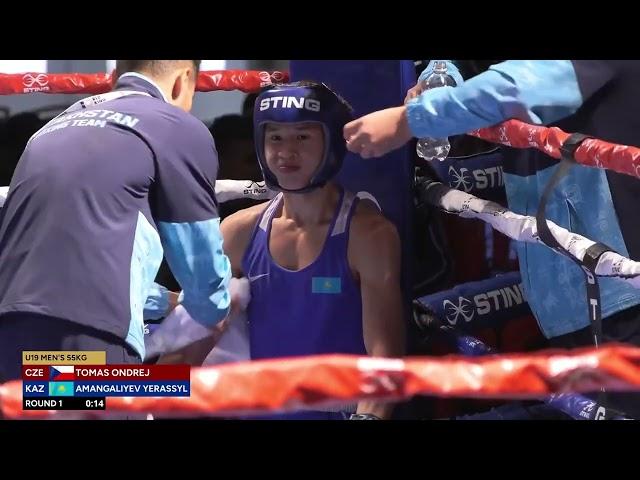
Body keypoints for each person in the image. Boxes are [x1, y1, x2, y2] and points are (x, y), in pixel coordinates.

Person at [343, 60, 640, 417]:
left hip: (618, 279)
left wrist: (413, 118)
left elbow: (525, 84)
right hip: (569, 284)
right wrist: (438, 81)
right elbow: (473, 66)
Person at [0, 60, 232, 383]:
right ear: (183, 80)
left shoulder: (47, 130)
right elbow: (205, 283)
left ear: (116, 75)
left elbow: (68, 261)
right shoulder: (175, 125)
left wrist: (165, 302)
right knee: (170, 389)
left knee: (154, 391)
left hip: (12, 337)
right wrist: (223, 308)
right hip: (88, 341)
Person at [221, 81, 405, 419]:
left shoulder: (368, 235)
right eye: (275, 137)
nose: (285, 152)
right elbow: (194, 339)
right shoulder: (237, 232)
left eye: (302, 137)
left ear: (332, 142)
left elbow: (385, 357)